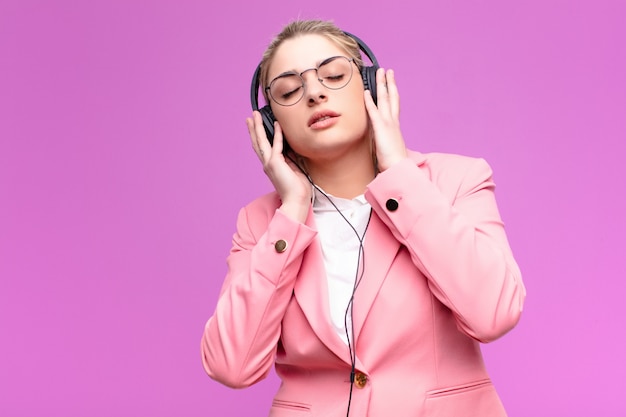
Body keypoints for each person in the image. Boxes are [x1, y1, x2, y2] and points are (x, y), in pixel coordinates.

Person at [200, 19, 526, 417]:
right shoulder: (261, 223)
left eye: (333, 75)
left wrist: (399, 175)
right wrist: (293, 210)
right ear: (273, 125)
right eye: (289, 90)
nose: (315, 93)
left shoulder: (455, 181)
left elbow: (494, 313)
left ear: (370, 87)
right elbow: (231, 366)